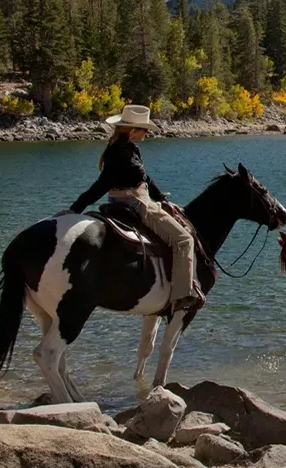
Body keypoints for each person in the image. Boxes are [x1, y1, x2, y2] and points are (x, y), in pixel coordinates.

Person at [58, 105, 204, 312]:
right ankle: (182, 294)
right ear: (134, 130)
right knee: (184, 239)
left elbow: (144, 178)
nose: (147, 132)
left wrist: (161, 198)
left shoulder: (124, 148)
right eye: (144, 129)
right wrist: (76, 208)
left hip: (131, 198)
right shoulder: (121, 152)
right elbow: (102, 184)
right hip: (137, 202)